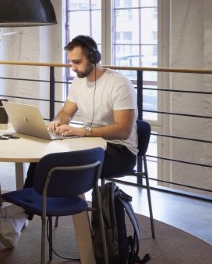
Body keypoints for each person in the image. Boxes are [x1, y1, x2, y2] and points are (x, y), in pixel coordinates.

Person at [24, 35, 138, 188]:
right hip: (91, 142)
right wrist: (58, 122)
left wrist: (82, 131)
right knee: (41, 156)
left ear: (93, 57)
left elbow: (123, 130)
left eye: (77, 62)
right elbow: (65, 112)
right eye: (71, 62)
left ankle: (67, 206)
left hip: (120, 151)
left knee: (61, 163)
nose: (73, 67)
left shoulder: (119, 84)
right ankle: (30, 206)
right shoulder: (78, 81)